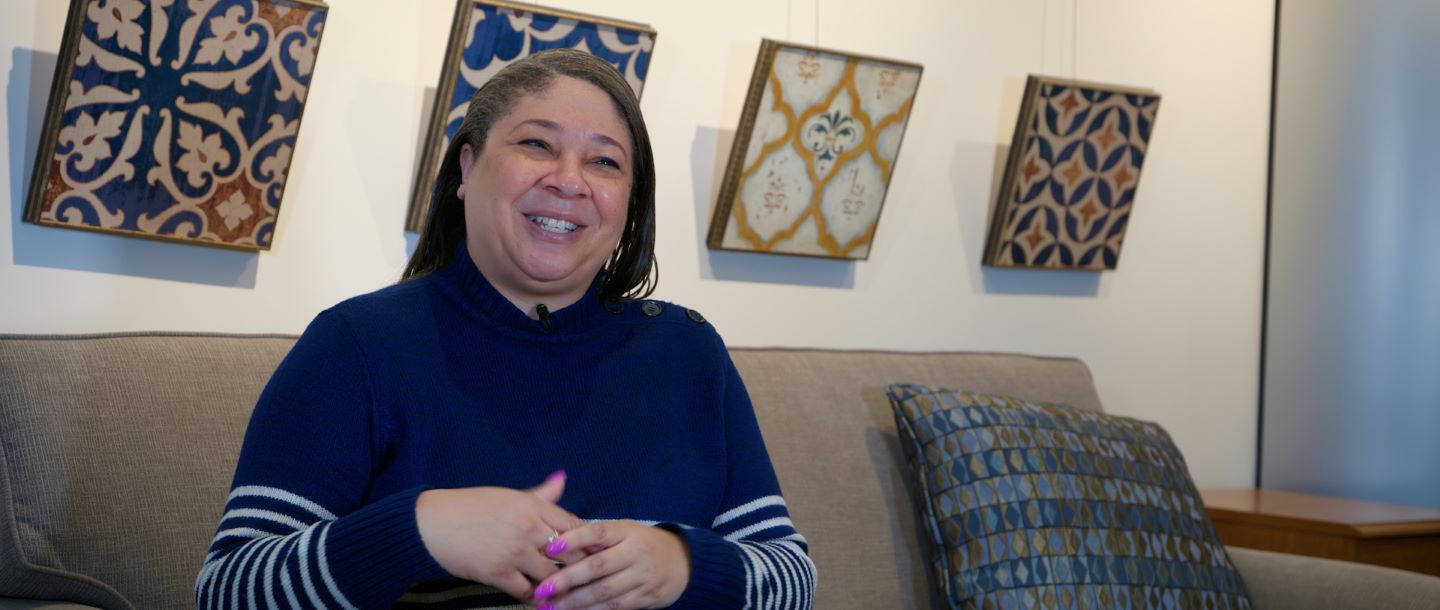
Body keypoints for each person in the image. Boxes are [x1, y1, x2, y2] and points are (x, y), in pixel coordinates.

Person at [195, 49, 815, 610]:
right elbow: (228, 591)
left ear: (629, 199)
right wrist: (421, 529)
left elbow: (792, 578)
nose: (569, 180)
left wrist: (684, 566)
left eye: (604, 161)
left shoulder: (689, 353)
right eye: (537, 145)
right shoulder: (355, 345)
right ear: (467, 167)